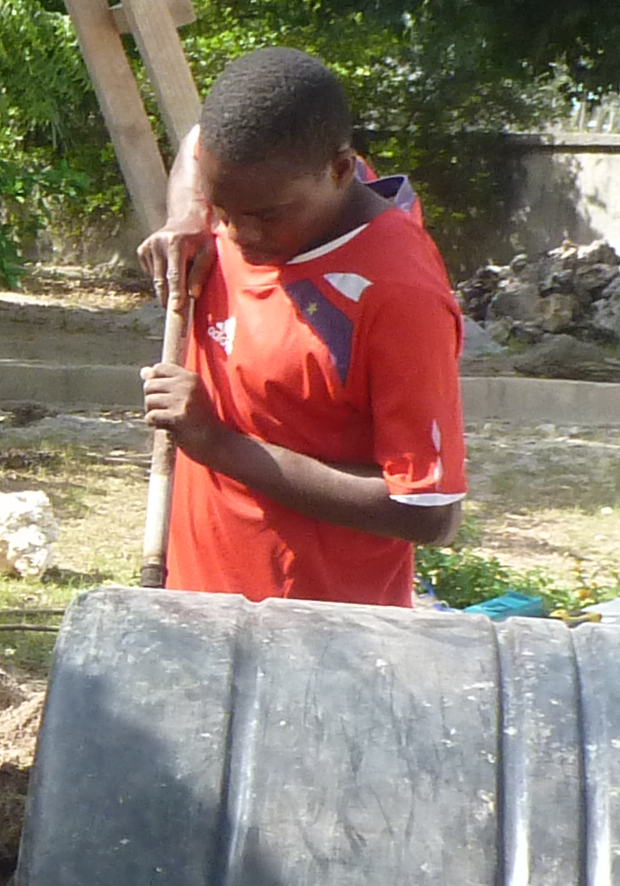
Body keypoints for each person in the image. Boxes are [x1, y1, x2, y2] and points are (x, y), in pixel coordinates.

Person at [136, 45, 468, 606]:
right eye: (222, 210)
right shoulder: (257, 178)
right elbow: (197, 143)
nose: (238, 235)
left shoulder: (398, 296)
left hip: (315, 640)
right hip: (195, 608)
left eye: (264, 215)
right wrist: (186, 215)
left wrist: (216, 443)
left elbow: (429, 513)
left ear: (340, 170)